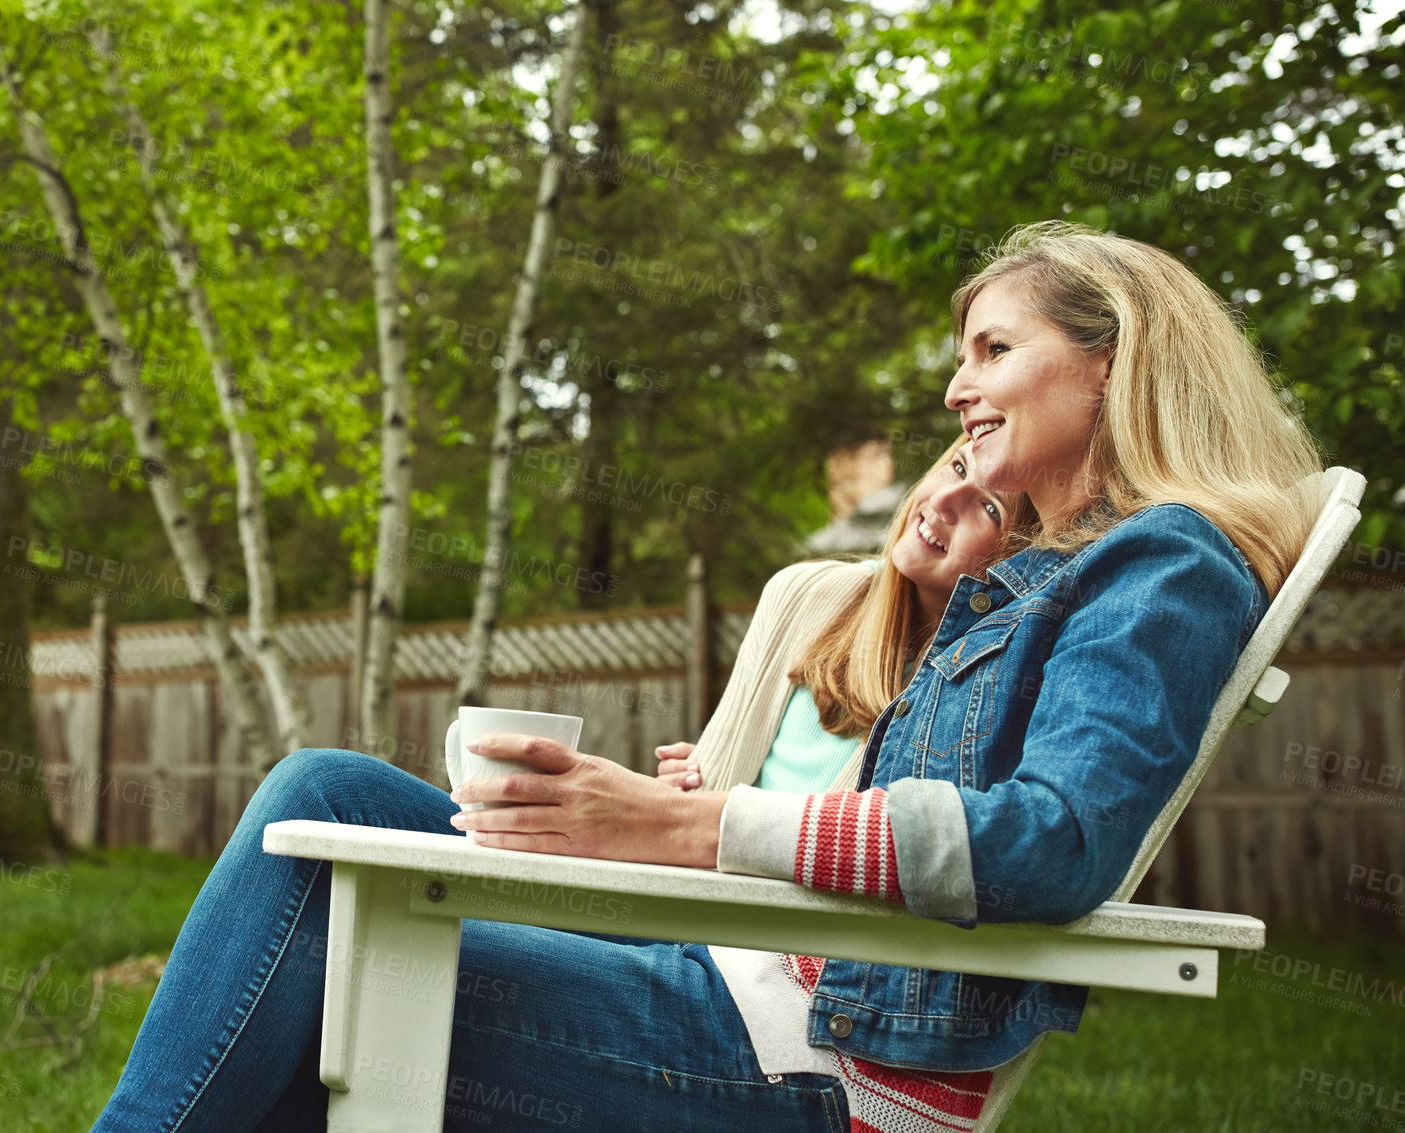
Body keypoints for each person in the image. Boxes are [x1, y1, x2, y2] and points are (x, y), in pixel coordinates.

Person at [90, 221, 1322, 1132]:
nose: (956, 387)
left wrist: (687, 823)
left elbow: (1052, 842)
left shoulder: (1165, 563)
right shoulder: (1020, 577)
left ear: (1113, 363)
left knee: (312, 975)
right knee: (331, 798)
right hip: (728, 976)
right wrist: (642, 818)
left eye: (993, 349)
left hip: (816, 1064)